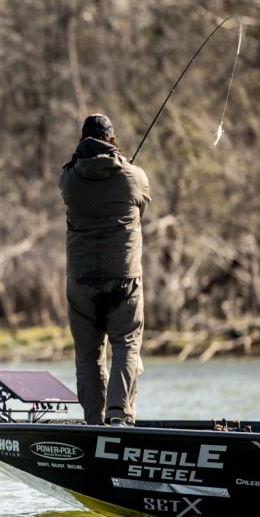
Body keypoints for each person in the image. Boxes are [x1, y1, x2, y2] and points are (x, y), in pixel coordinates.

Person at [59, 113, 151, 426]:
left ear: (82, 140)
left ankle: (94, 423)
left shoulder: (69, 180)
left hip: (82, 280)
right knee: (126, 345)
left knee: (88, 355)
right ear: (112, 139)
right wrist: (124, 167)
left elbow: (73, 179)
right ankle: (119, 416)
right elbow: (142, 205)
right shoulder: (134, 176)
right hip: (123, 277)